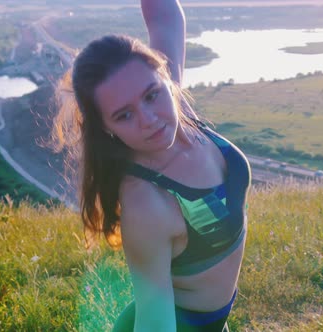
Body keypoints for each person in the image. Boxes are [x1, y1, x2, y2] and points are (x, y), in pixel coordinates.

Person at [51, 1, 251, 331]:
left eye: (151, 95)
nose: (150, 120)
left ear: (164, 77)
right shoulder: (147, 203)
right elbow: (155, 318)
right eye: (124, 115)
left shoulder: (174, 104)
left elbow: (165, 15)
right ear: (106, 128)